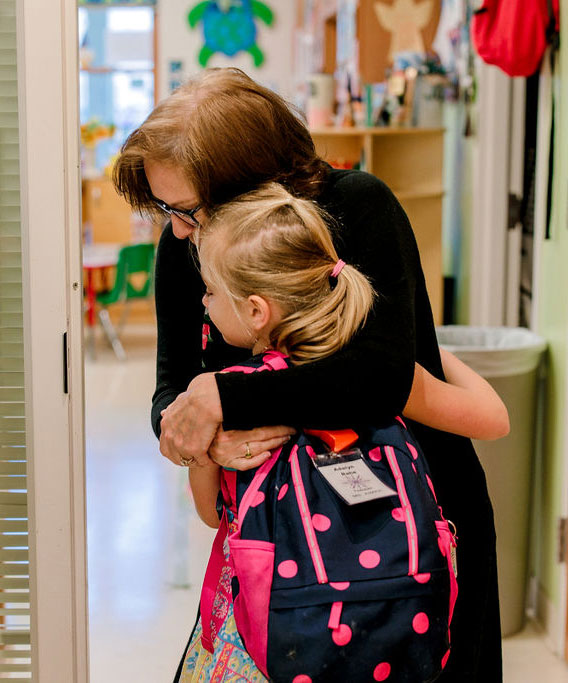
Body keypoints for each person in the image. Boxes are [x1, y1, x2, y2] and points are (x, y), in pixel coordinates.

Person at [113, 67, 504, 681]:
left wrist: (226, 396)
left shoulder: (357, 206)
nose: (179, 228)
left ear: (247, 184)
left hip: (416, 526)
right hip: (279, 544)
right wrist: (201, 432)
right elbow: (174, 390)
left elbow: (378, 379)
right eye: (167, 210)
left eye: (185, 209)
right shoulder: (183, 246)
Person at [182, 183, 508, 681]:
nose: (203, 303)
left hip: (266, 644)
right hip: (389, 637)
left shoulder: (232, 396)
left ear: (255, 311)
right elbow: (494, 416)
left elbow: (210, 512)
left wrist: (203, 450)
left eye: (209, 291)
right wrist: (417, 344)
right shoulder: (377, 385)